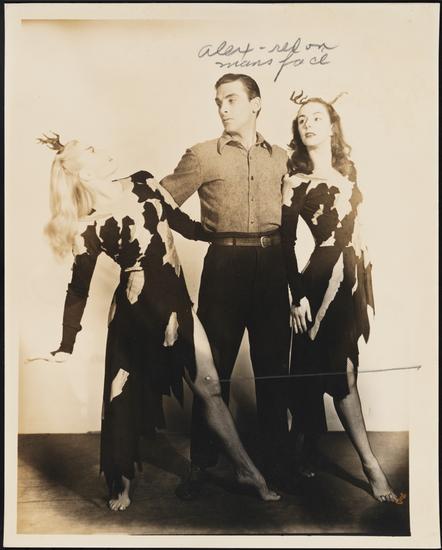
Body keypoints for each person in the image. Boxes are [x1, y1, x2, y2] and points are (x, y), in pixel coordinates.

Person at [29, 133, 280, 511]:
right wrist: (66, 345)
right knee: (122, 398)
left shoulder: (144, 182)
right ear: (83, 173)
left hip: (175, 305)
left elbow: (184, 225)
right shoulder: (89, 227)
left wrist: (232, 237)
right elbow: (78, 289)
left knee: (210, 387)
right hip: (133, 313)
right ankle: (122, 484)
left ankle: (248, 472)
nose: (103, 148)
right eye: (92, 150)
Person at [160, 74, 292, 499]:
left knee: (274, 370)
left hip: (273, 267)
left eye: (231, 100)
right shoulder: (202, 155)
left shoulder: (284, 158)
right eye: (218, 101)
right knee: (211, 370)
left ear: (256, 103)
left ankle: (276, 464)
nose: (222, 108)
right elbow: (158, 201)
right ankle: (201, 467)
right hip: (224, 267)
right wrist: (198, 232)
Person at [281, 95, 403, 502]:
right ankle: (371, 467)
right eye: (302, 120)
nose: (308, 124)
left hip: (351, 281)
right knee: (339, 374)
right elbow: (285, 243)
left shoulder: (349, 173)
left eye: (317, 117)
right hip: (319, 284)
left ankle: (303, 450)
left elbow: (356, 222)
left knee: (322, 370)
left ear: (332, 127)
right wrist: (297, 296)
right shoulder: (295, 182)